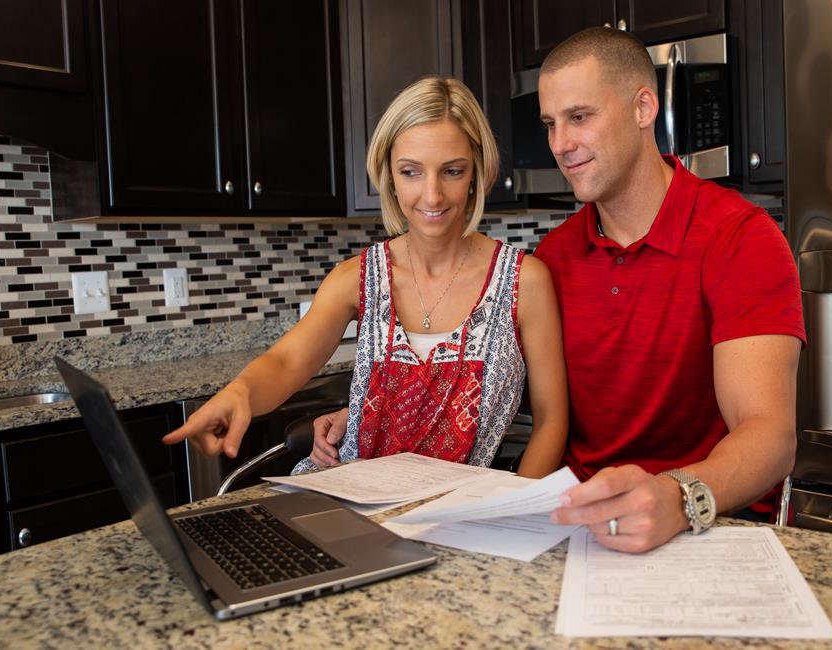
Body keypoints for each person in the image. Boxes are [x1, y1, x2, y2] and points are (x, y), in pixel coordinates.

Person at [163, 76, 568, 479]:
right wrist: (240, 394)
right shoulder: (355, 278)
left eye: (452, 171)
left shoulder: (523, 281)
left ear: (477, 172)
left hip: (457, 518)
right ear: (388, 175)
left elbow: (551, 422)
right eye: (410, 172)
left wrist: (507, 508)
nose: (432, 196)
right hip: (351, 506)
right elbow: (285, 361)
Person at [534, 27, 805, 552]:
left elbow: (770, 434)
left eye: (580, 117)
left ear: (643, 108)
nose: (561, 145)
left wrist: (678, 498)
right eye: (551, 123)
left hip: (710, 522)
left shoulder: (740, 238)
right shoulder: (553, 258)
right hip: (581, 528)